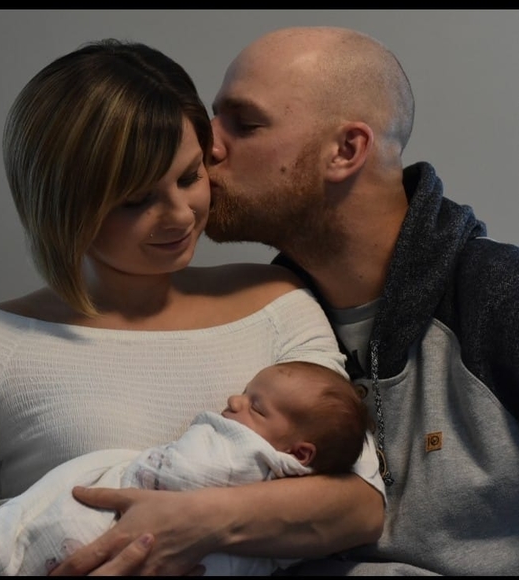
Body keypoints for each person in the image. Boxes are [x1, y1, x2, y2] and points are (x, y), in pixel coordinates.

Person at [49, 26, 519, 577]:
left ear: (345, 151)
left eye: (244, 123)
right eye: (214, 116)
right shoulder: (264, 321)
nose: (205, 145)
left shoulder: (500, 300)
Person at [0, 38, 386, 577]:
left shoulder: (277, 301)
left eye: (189, 176)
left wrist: (189, 523)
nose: (179, 214)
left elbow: (361, 505)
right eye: (136, 199)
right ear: (62, 204)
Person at [0, 361, 370, 577]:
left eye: (255, 406)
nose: (234, 401)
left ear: (300, 454)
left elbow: (364, 508)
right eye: (245, 392)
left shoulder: (247, 454)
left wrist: (198, 517)